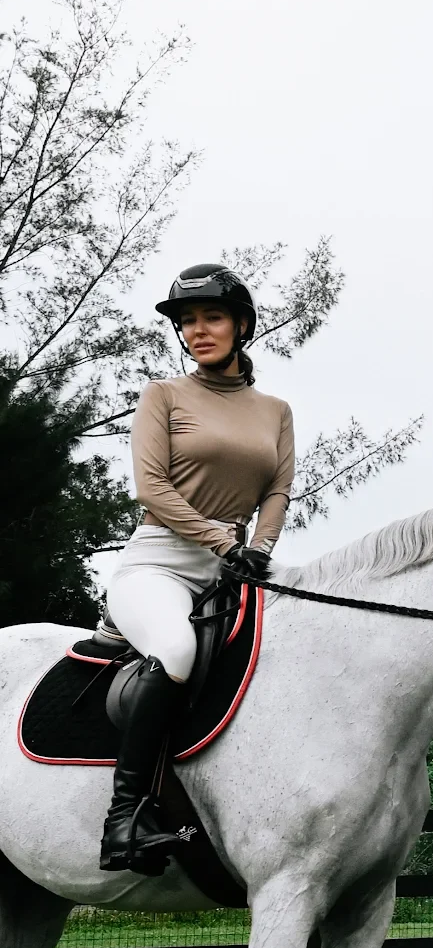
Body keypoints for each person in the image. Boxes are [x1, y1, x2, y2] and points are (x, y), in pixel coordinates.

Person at [99, 264, 294, 873]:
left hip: (234, 569)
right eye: (187, 322)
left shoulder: (275, 410)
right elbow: (152, 488)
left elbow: (278, 491)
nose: (198, 331)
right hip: (157, 563)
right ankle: (125, 819)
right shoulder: (164, 395)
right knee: (177, 651)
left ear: (241, 325)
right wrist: (221, 540)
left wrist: (259, 549)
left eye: (212, 318)